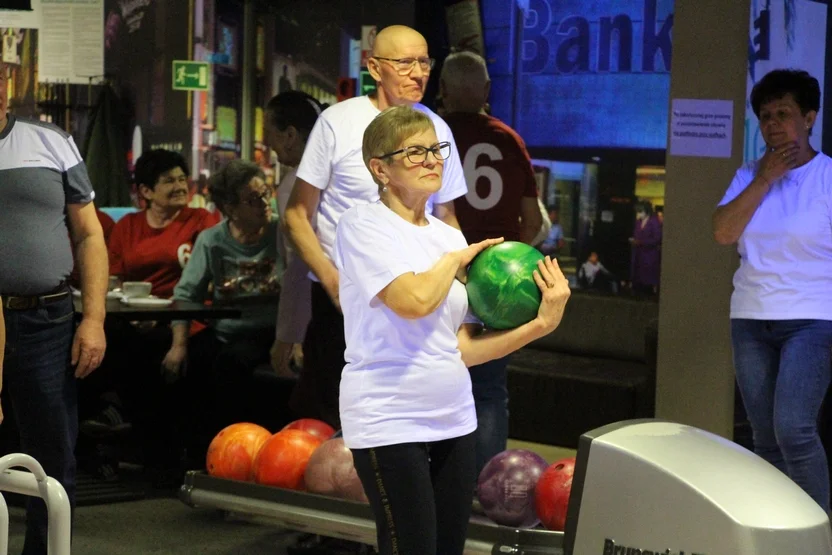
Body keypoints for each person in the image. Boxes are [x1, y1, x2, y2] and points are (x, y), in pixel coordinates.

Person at [336, 105, 571, 555]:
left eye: (437, 149)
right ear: (379, 168)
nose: (432, 159)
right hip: (388, 418)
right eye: (415, 151)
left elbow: (462, 349)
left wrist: (541, 325)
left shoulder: (448, 237)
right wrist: (452, 263)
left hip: (453, 417)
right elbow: (413, 301)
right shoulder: (362, 226)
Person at [284, 25, 468, 429]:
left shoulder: (437, 129)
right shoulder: (338, 121)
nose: (418, 72)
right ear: (374, 67)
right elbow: (297, 214)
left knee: (403, 418)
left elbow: (448, 215)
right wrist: (332, 280)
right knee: (332, 421)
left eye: (424, 62)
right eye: (405, 62)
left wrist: (466, 285)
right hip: (343, 296)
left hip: (415, 293)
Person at [0, 59, 108, 554]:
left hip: (47, 319)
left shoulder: (50, 141)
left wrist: (94, 318)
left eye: (0, 76)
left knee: (51, 450)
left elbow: (89, 234)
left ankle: (43, 551)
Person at [712, 69, 832, 513]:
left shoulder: (827, 178)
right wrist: (764, 179)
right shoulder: (748, 175)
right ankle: (780, 531)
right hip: (751, 317)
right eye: (765, 117)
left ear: (810, 118)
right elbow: (723, 232)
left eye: (784, 113)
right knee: (765, 438)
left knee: (794, 429)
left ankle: (818, 533)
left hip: (813, 319)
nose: (773, 124)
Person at [439, 50, 543, 474]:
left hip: (439, 277)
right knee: (488, 390)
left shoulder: (428, 134)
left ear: (442, 90)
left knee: (428, 382)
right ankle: (485, 489)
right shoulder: (508, 139)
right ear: (486, 91)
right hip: (496, 284)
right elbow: (533, 223)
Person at [164, 160, 283, 453]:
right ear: (230, 209)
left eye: (265, 193)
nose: (264, 203)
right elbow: (187, 294)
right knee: (177, 364)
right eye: (253, 199)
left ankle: (237, 450)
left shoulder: (282, 232)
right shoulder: (212, 240)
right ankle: (186, 457)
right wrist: (178, 345)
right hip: (224, 330)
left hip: (270, 331)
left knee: (229, 365)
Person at [262, 91, 324, 378]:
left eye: (269, 133)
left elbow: (300, 265)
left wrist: (290, 335)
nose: (267, 143)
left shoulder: (296, 186)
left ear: (289, 135)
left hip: (320, 315)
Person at [628, 200, 662, 295]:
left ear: (647, 211)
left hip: (649, 254)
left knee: (647, 276)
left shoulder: (654, 222)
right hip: (638, 253)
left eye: (640, 211)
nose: (639, 214)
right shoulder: (638, 222)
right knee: (638, 275)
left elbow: (657, 238)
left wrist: (641, 242)